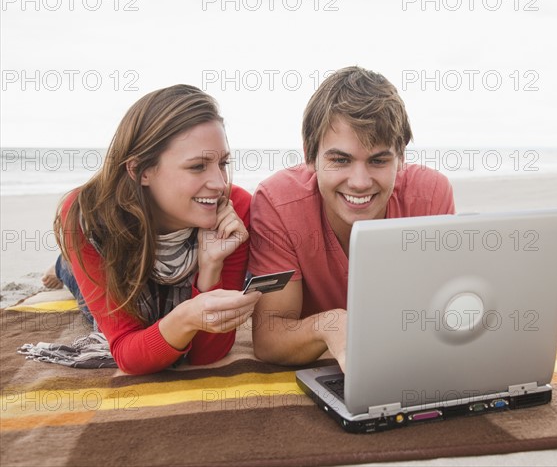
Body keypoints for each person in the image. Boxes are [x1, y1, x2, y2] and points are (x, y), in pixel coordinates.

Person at [248, 66, 455, 372]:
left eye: (378, 160)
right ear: (310, 156)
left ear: (401, 157)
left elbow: (446, 311)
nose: (359, 182)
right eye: (340, 160)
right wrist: (330, 324)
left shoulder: (431, 195)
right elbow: (269, 338)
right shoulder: (278, 203)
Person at [49, 84, 261, 375]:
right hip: (115, 257)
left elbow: (206, 355)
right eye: (198, 166)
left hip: (175, 285)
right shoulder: (88, 218)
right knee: (80, 290)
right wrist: (187, 317)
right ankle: (64, 265)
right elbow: (128, 352)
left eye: (223, 163)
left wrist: (211, 269)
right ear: (141, 171)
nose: (219, 183)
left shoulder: (235, 207)